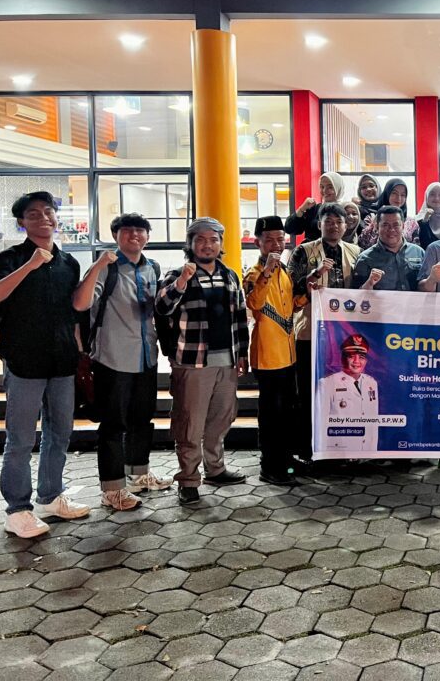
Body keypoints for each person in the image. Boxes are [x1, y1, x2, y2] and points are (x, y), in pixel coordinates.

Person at [0, 192, 89, 538]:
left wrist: (80, 352)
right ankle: (17, 510)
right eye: (33, 214)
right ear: (22, 222)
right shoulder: (10, 259)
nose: (44, 218)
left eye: (48, 212)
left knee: (59, 432)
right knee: (20, 439)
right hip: (24, 361)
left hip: (62, 359)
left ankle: (51, 496)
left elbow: (74, 310)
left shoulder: (68, 263)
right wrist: (30, 266)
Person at [74, 213, 170, 512]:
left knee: (142, 418)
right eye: (126, 231)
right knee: (113, 425)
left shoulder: (152, 267)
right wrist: (98, 266)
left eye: (140, 231)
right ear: (115, 235)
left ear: (148, 237)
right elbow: (81, 303)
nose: (134, 235)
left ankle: (138, 474)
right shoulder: (107, 267)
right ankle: (112, 489)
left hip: (146, 356)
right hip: (112, 358)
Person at [156, 218, 250, 505]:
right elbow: (162, 307)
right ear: (191, 244)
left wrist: (242, 353)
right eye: (200, 240)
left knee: (222, 417)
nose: (207, 245)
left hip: (227, 360)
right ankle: (188, 479)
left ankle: (215, 468)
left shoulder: (230, 275)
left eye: (213, 240)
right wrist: (181, 282)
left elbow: (240, 317)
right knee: (190, 423)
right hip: (192, 361)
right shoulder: (177, 274)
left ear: (220, 244)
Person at [287, 202, 361, 465]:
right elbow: (290, 287)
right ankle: (308, 449)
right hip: (310, 333)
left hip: (344, 335)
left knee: (342, 390)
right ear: (319, 224)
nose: (334, 226)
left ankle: (341, 447)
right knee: (309, 392)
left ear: (346, 225)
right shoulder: (304, 251)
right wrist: (313, 276)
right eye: (328, 221)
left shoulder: (355, 252)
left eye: (339, 222)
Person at [242, 216, 300, 486]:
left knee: (287, 412)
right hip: (266, 356)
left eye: (280, 239)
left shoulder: (284, 272)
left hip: (288, 354)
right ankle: (269, 465)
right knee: (271, 415)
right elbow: (254, 303)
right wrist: (266, 272)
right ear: (258, 243)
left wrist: (309, 291)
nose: (276, 244)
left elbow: (292, 306)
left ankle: (286, 460)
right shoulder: (254, 274)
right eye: (269, 240)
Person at [319, 334, 380, 451]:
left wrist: (373, 452)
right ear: (343, 358)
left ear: (366, 361)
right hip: (339, 452)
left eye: (361, 357)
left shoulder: (371, 383)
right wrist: (323, 454)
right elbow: (321, 425)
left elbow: (373, 423)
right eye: (351, 356)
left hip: (366, 453)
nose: (357, 361)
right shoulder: (327, 383)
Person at [353, 205, 426, 291]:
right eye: (385, 225)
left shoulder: (419, 253)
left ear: (403, 226)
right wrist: (369, 283)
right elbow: (357, 294)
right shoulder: (365, 258)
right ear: (377, 227)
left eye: (396, 225)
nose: (391, 230)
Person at [357, 178, 417, 248]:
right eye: (394, 193)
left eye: (403, 195)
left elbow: (415, 248)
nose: (399, 198)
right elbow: (363, 244)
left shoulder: (411, 223)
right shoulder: (371, 218)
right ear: (387, 194)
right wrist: (374, 224)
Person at [285, 172, 344, 242]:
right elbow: (290, 229)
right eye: (322, 187)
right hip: (311, 249)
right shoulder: (314, 209)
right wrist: (302, 209)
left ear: (338, 188)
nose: (324, 190)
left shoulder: (346, 210)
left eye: (330, 187)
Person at [414, 182, 440, 250]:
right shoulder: (416, 221)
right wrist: (424, 222)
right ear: (426, 197)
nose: (436, 198)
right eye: (432, 194)